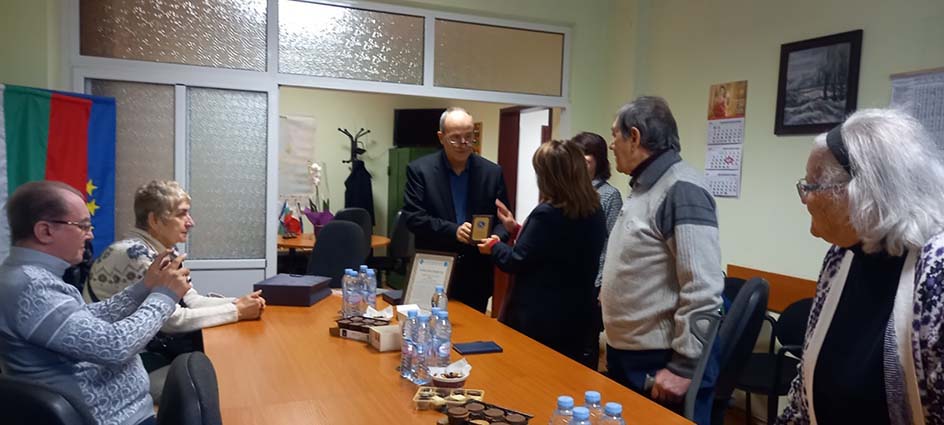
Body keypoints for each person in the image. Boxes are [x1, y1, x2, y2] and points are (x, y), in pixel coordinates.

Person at [778, 109, 944, 425]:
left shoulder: (936, 274)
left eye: (811, 185)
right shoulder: (840, 258)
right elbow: (803, 398)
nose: (803, 198)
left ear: (861, 193)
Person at [0, 180, 191, 425]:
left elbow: (88, 319)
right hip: (114, 419)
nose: (90, 234)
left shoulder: (34, 277)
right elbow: (114, 345)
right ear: (45, 231)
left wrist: (144, 287)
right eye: (82, 226)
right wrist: (164, 296)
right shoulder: (31, 287)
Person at [601, 96, 723, 424]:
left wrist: (684, 367)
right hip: (632, 355)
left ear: (635, 137)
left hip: (663, 362)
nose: (611, 145)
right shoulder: (646, 186)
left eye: (614, 135)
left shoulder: (681, 189)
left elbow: (704, 286)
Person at [86, 180, 265, 372]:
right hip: (118, 363)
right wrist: (237, 311)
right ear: (154, 220)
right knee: (217, 371)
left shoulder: (163, 250)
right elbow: (171, 321)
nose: (191, 222)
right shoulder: (134, 254)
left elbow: (191, 301)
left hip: (143, 348)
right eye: (181, 214)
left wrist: (240, 302)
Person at [477, 139, 606, 366]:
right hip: (577, 314)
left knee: (532, 373)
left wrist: (495, 246)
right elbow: (554, 249)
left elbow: (517, 260)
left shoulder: (546, 214)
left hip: (540, 318)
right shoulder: (594, 210)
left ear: (549, 176)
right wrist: (516, 229)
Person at [403, 107, 510, 313]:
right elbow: (413, 218)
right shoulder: (420, 170)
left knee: (473, 329)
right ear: (441, 137)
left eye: (469, 137)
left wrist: (496, 239)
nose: (463, 143)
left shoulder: (492, 172)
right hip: (434, 269)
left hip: (476, 272)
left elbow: (503, 221)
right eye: (455, 138)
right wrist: (454, 231)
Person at [571, 131, 623, 370]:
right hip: (568, 278)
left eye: (587, 156)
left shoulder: (610, 195)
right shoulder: (568, 191)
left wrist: (604, 285)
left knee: (587, 342)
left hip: (595, 279)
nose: (581, 161)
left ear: (598, 159)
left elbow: (614, 242)